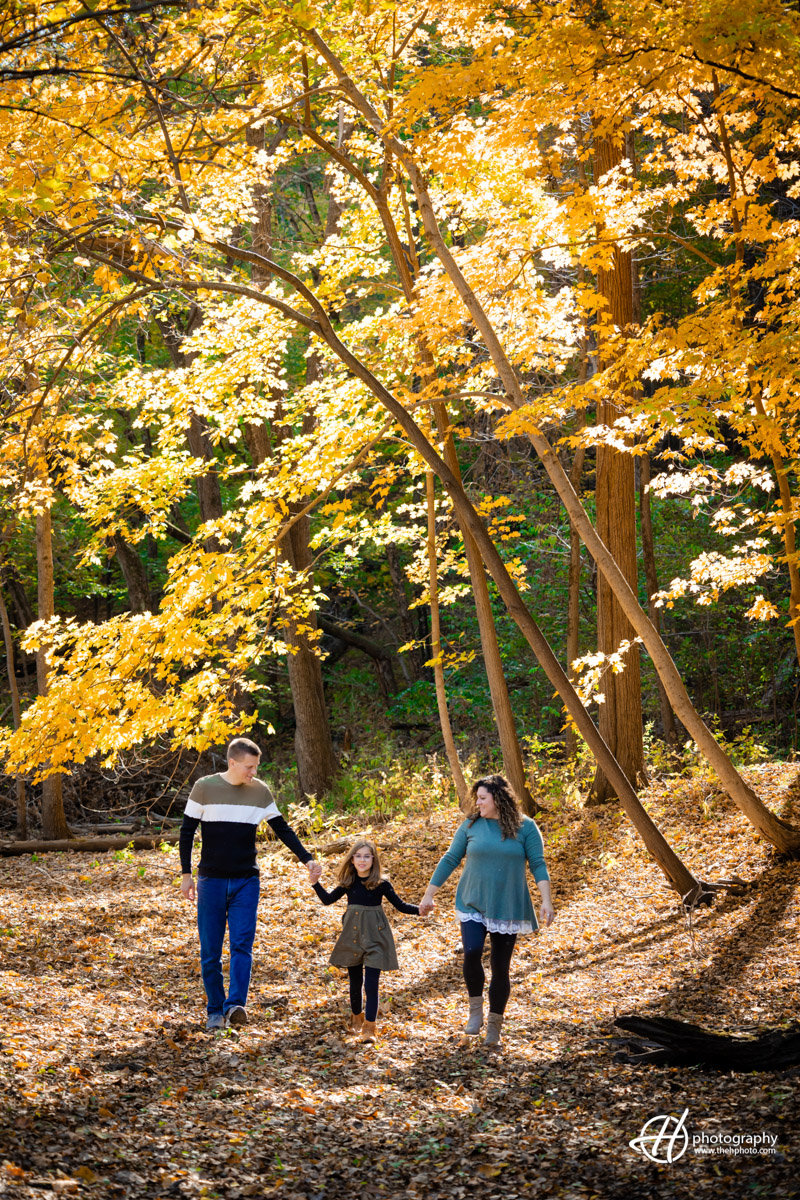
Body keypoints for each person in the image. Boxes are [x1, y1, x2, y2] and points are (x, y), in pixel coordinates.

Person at [179, 737, 322, 1031]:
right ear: (232, 763)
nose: (253, 772)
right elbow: (187, 831)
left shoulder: (259, 791)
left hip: (247, 881)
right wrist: (186, 874)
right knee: (210, 952)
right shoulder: (204, 787)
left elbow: (282, 829)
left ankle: (235, 1007)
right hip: (211, 881)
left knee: (242, 946)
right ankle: (215, 1010)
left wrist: (307, 859)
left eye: (255, 767)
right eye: (249, 767)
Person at [419, 773, 554, 1047]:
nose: (477, 803)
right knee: (471, 952)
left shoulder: (525, 827)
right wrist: (429, 893)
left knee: (500, 967)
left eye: (482, 798)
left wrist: (546, 900)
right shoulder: (470, 825)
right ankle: (475, 1012)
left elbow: (538, 864)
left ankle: (495, 1026)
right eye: (477, 798)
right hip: (472, 902)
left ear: (497, 798)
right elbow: (451, 858)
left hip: (508, 904)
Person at [311, 838, 421, 1042]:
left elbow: (400, 905)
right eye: (358, 856)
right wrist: (315, 883)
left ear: (373, 860)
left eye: (367, 856)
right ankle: (356, 1018)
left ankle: (370, 1028)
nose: (362, 860)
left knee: (371, 984)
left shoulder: (381, 884)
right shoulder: (348, 883)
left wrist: (419, 910)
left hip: (376, 938)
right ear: (352, 860)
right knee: (355, 982)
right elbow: (327, 900)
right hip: (352, 937)